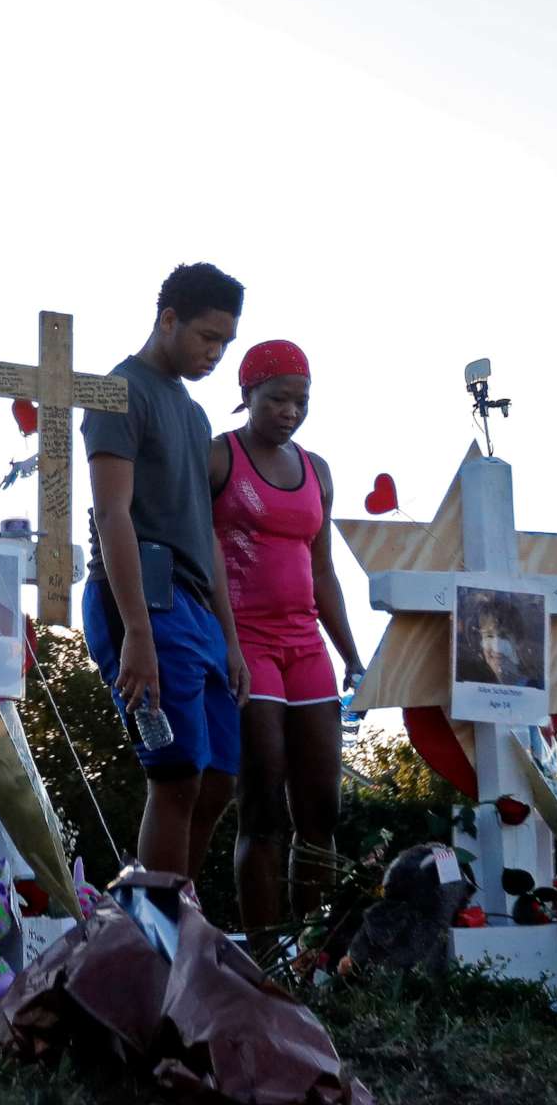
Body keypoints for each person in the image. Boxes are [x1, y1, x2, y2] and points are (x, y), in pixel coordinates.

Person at [83, 261, 246, 878]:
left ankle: (178, 909)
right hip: (142, 601)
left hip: (199, 610)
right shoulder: (118, 391)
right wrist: (140, 637)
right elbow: (111, 513)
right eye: (208, 337)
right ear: (168, 318)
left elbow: (204, 530)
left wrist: (230, 640)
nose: (216, 353)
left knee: (218, 780)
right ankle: (160, 943)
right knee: (175, 775)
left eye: (226, 343)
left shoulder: (197, 415)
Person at [210, 339, 366, 942]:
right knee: (264, 808)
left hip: (307, 649)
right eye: (278, 399)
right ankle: (265, 951)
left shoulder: (317, 471)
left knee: (321, 807)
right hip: (247, 645)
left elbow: (322, 570)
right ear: (248, 394)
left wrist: (351, 653)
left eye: (301, 401)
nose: (291, 411)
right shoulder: (219, 459)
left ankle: (312, 951)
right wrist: (221, 644)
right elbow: (200, 553)